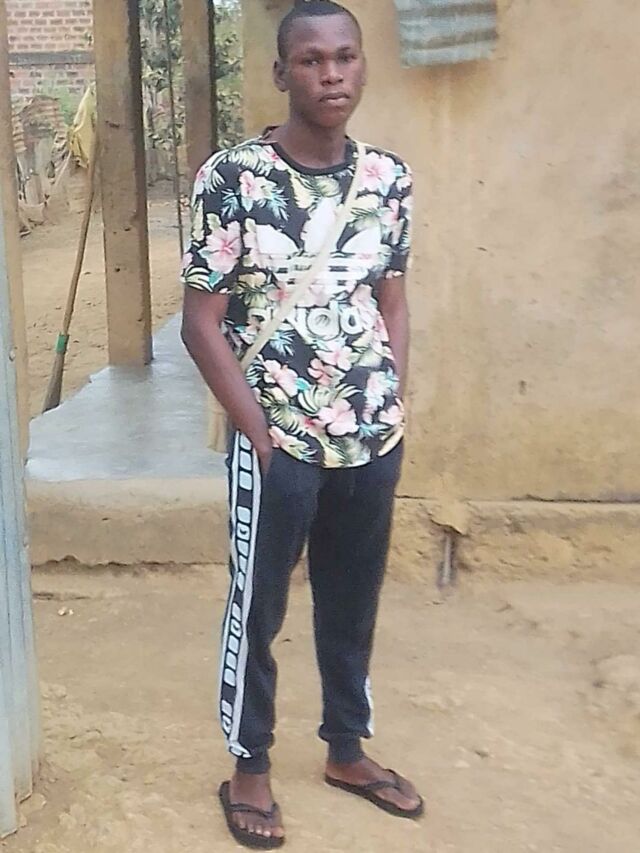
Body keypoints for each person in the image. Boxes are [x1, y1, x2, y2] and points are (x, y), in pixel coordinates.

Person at [181, 1, 422, 847]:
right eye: (312, 60)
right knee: (260, 604)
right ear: (282, 73)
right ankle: (250, 762)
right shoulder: (234, 178)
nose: (331, 74)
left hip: (370, 436)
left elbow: (392, 300)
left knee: (353, 597)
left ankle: (346, 749)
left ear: (362, 67)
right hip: (279, 438)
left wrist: (390, 396)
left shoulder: (389, 178)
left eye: (345, 57)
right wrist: (257, 433)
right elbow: (201, 323)